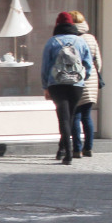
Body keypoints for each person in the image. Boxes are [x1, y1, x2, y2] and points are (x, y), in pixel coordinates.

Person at [40, 12, 94, 165]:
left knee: (63, 117)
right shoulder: (81, 41)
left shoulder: (52, 42)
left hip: (57, 84)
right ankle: (62, 150)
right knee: (70, 117)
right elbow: (88, 65)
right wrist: (83, 79)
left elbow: (45, 67)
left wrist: (46, 86)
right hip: (76, 85)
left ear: (57, 25)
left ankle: (67, 153)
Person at [69, 10, 103, 158]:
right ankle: (88, 148)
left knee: (75, 116)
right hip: (92, 80)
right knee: (87, 116)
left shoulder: (72, 39)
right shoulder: (91, 38)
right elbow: (99, 62)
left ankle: (77, 148)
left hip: (76, 79)